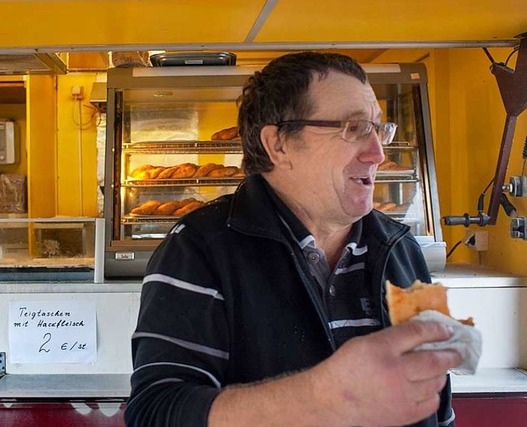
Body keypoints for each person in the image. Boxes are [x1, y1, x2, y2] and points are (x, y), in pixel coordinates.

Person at [125, 52, 461, 427]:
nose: (377, 153)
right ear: (279, 144)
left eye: (379, 129)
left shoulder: (402, 248)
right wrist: (322, 396)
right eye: (354, 128)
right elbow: (157, 412)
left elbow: (438, 403)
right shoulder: (198, 249)